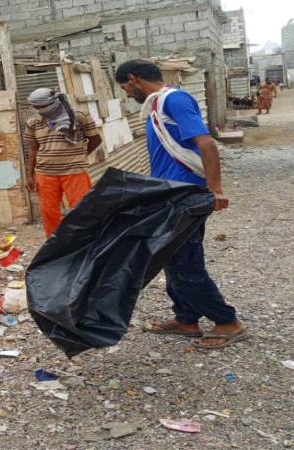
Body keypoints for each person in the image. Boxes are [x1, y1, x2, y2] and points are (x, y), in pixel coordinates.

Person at [113, 59, 248, 350]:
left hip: (185, 196)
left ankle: (227, 321)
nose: (126, 94)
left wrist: (215, 190)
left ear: (133, 79)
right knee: (170, 258)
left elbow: (207, 143)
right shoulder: (157, 106)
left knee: (185, 264)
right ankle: (186, 319)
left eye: (124, 87)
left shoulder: (175, 100)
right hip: (169, 193)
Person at [24, 88, 103, 238]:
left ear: (54, 101)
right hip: (45, 173)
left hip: (74, 172)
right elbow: (33, 148)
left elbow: (96, 139)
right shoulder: (34, 122)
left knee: (82, 209)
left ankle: (84, 241)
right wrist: (30, 174)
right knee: (49, 212)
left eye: (42, 106)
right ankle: (54, 245)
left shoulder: (79, 116)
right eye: (36, 107)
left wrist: (80, 156)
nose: (40, 110)